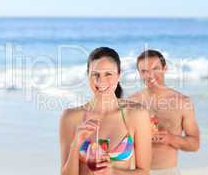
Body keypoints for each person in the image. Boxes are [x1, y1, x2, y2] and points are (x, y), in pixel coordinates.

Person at [60, 47, 152, 175]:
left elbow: (144, 172)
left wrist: (113, 171)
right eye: (95, 74)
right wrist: (76, 144)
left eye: (108, 74)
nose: (101, 80)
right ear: (88, 75)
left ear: (119, 75)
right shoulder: (71, 117)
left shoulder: (137, 115)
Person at [129, 50, 200, 175]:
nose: (150, 75)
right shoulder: (131, 102)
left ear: (164, 68)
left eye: (155, 69)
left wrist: (169, 139)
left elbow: (194, 144)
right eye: (144, 71)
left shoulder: (183, 102)